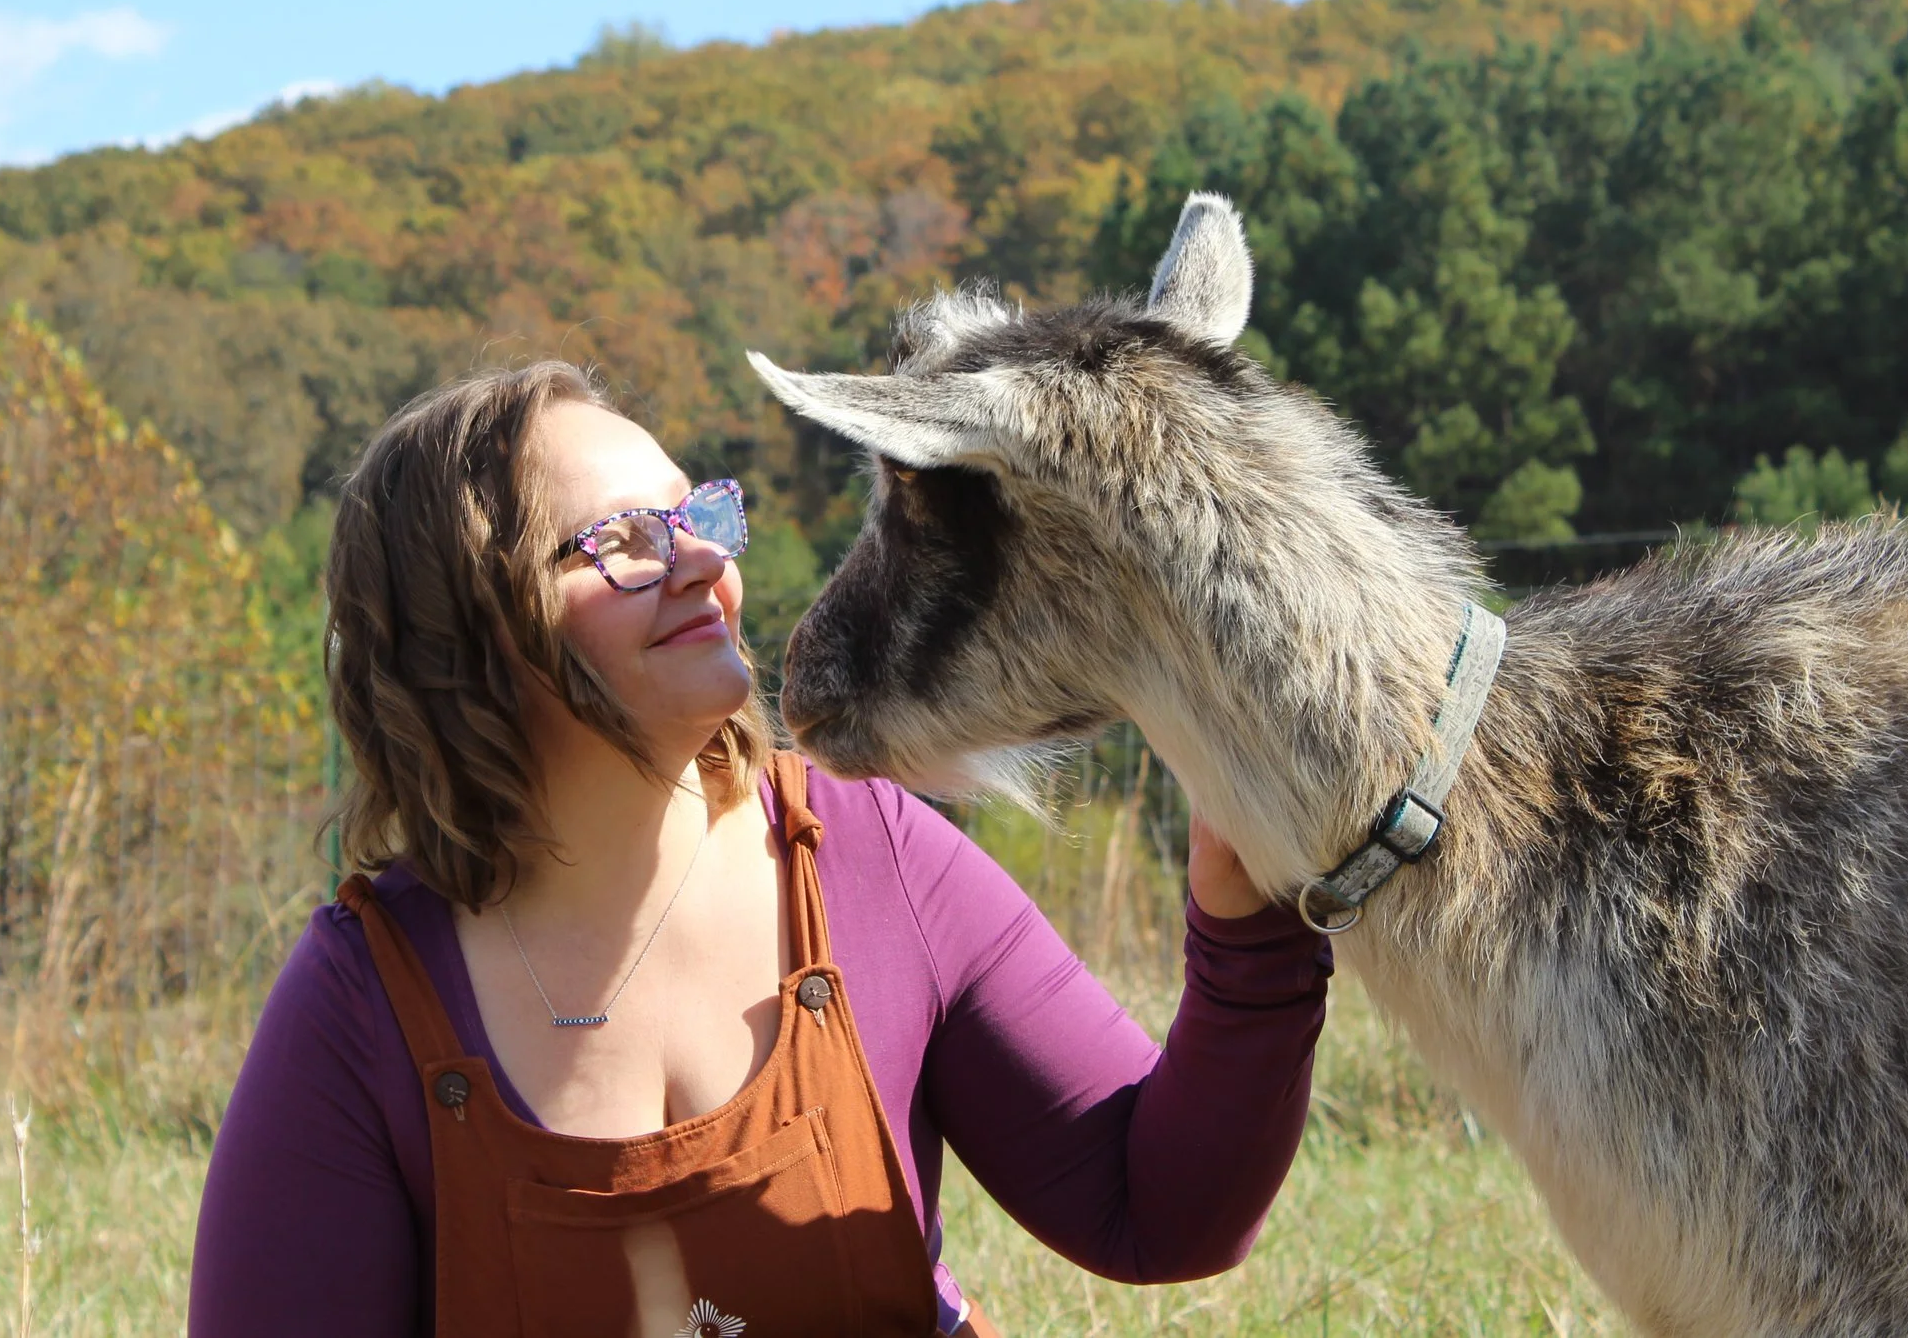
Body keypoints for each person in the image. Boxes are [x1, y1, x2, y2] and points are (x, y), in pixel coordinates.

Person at [189, 362, 1332, 1338]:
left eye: (696, 514)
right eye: (620, 541)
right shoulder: (366, 1001)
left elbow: (1156, 1210)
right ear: (471, 631)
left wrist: (1246, 928)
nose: (695, 560)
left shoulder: (869, 855)